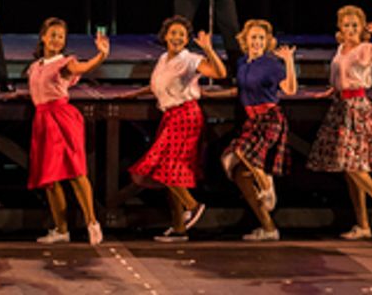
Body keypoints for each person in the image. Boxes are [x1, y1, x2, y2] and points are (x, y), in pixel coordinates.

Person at [128, 16, 226, 243]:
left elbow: (219, 73)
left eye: (181, 34)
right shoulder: (163, 58)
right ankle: (179, 227)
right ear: (165, 36)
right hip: (170, 116)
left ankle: (193, 205)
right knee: (170, 172)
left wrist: (209, 50)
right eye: (173, 33)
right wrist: (137, 93)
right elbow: (160, 85)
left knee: (165, 166)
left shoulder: (190, 59)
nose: (177, 38)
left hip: (185, 115)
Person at [307, 5, 372, 240]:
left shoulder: (366, 48)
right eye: (346, 25)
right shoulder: (341, 48)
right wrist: (331, 90)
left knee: (353, 165)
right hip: (340, 107)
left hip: (357, 108)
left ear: (361, 28)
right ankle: (363, 225)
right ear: (340, 27)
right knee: (348, 171)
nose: (350, 29)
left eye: (355, 25)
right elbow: (340, 76)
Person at [26, 17, 109, 245]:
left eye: (60, 37)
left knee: (75, 171)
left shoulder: (65, 62)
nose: (56, 40)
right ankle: (61, 229)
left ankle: (92, 221)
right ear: (43, 36)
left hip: (61, 117)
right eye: (52, 35)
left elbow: (83, 67)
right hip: (42, 119)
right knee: (49, 178)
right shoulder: (35, 66)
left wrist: (101, 55)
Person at [220, 20, 297, 242]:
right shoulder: (243, 62)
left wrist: (289, 61)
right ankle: (268, 227)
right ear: (246, 40)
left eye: (261, 38)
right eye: (253, 38)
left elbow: (289, 89)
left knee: (244, 152)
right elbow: (242, 90)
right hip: (252, 120)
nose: (257, 42)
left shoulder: (271, 64)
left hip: (270, 118)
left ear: (267, 42)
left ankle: (266, 184)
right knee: (237, 170)